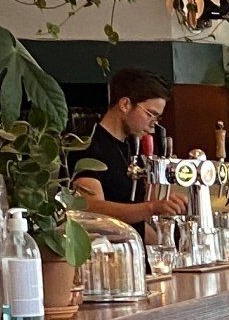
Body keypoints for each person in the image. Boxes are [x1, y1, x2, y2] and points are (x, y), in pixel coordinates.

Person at [70, 67, 186, 227]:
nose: (153, 125)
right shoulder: (88, 146)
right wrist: (151, 208)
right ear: (125, 104)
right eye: (150, 114)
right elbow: (90, 207)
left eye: (157, 118)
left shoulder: (131, 147)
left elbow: (137, 224)